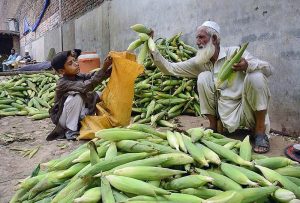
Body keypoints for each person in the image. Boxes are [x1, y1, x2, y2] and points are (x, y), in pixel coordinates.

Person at [150, 21, 273, 153]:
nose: (197, 42)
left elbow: (268, 69)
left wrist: (247, 65)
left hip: (246, 107)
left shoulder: (234, 53)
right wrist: (152, 47)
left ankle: (260, 134)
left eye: (201, 37)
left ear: (214, 38)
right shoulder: (201, 61)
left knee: (256, 76)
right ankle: (213, 126)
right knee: (203, 77)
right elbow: (171, 69)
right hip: (224, 112)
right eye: (197, 38)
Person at [46, 50, 112, 141]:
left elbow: (93, 76)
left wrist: (110, 70)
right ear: (62, 71)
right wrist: (104, 68)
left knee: (99, 95)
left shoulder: (78, 76)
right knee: (75, 96)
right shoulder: (62, 83)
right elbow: (86, 86)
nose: (76, 64)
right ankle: (71, 131)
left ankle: (86, 123)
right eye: (70, 63)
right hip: (63, 119)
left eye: (74, 60)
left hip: (77, 114)